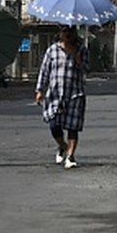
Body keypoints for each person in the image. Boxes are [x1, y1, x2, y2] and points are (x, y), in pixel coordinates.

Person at [35, 27, 89, 169]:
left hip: (75, 93)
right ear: (60, 34)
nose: (67, 34)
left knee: (73, 127)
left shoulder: (81, 50)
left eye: (70, 31)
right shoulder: (52, 50)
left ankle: (71, 156)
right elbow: (45, 70)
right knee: (54, 124)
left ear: (75, 33)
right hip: (55, 93)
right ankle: (62, 145)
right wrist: (40, 90)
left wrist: (78, 60)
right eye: (64, 31)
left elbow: (86, 69)